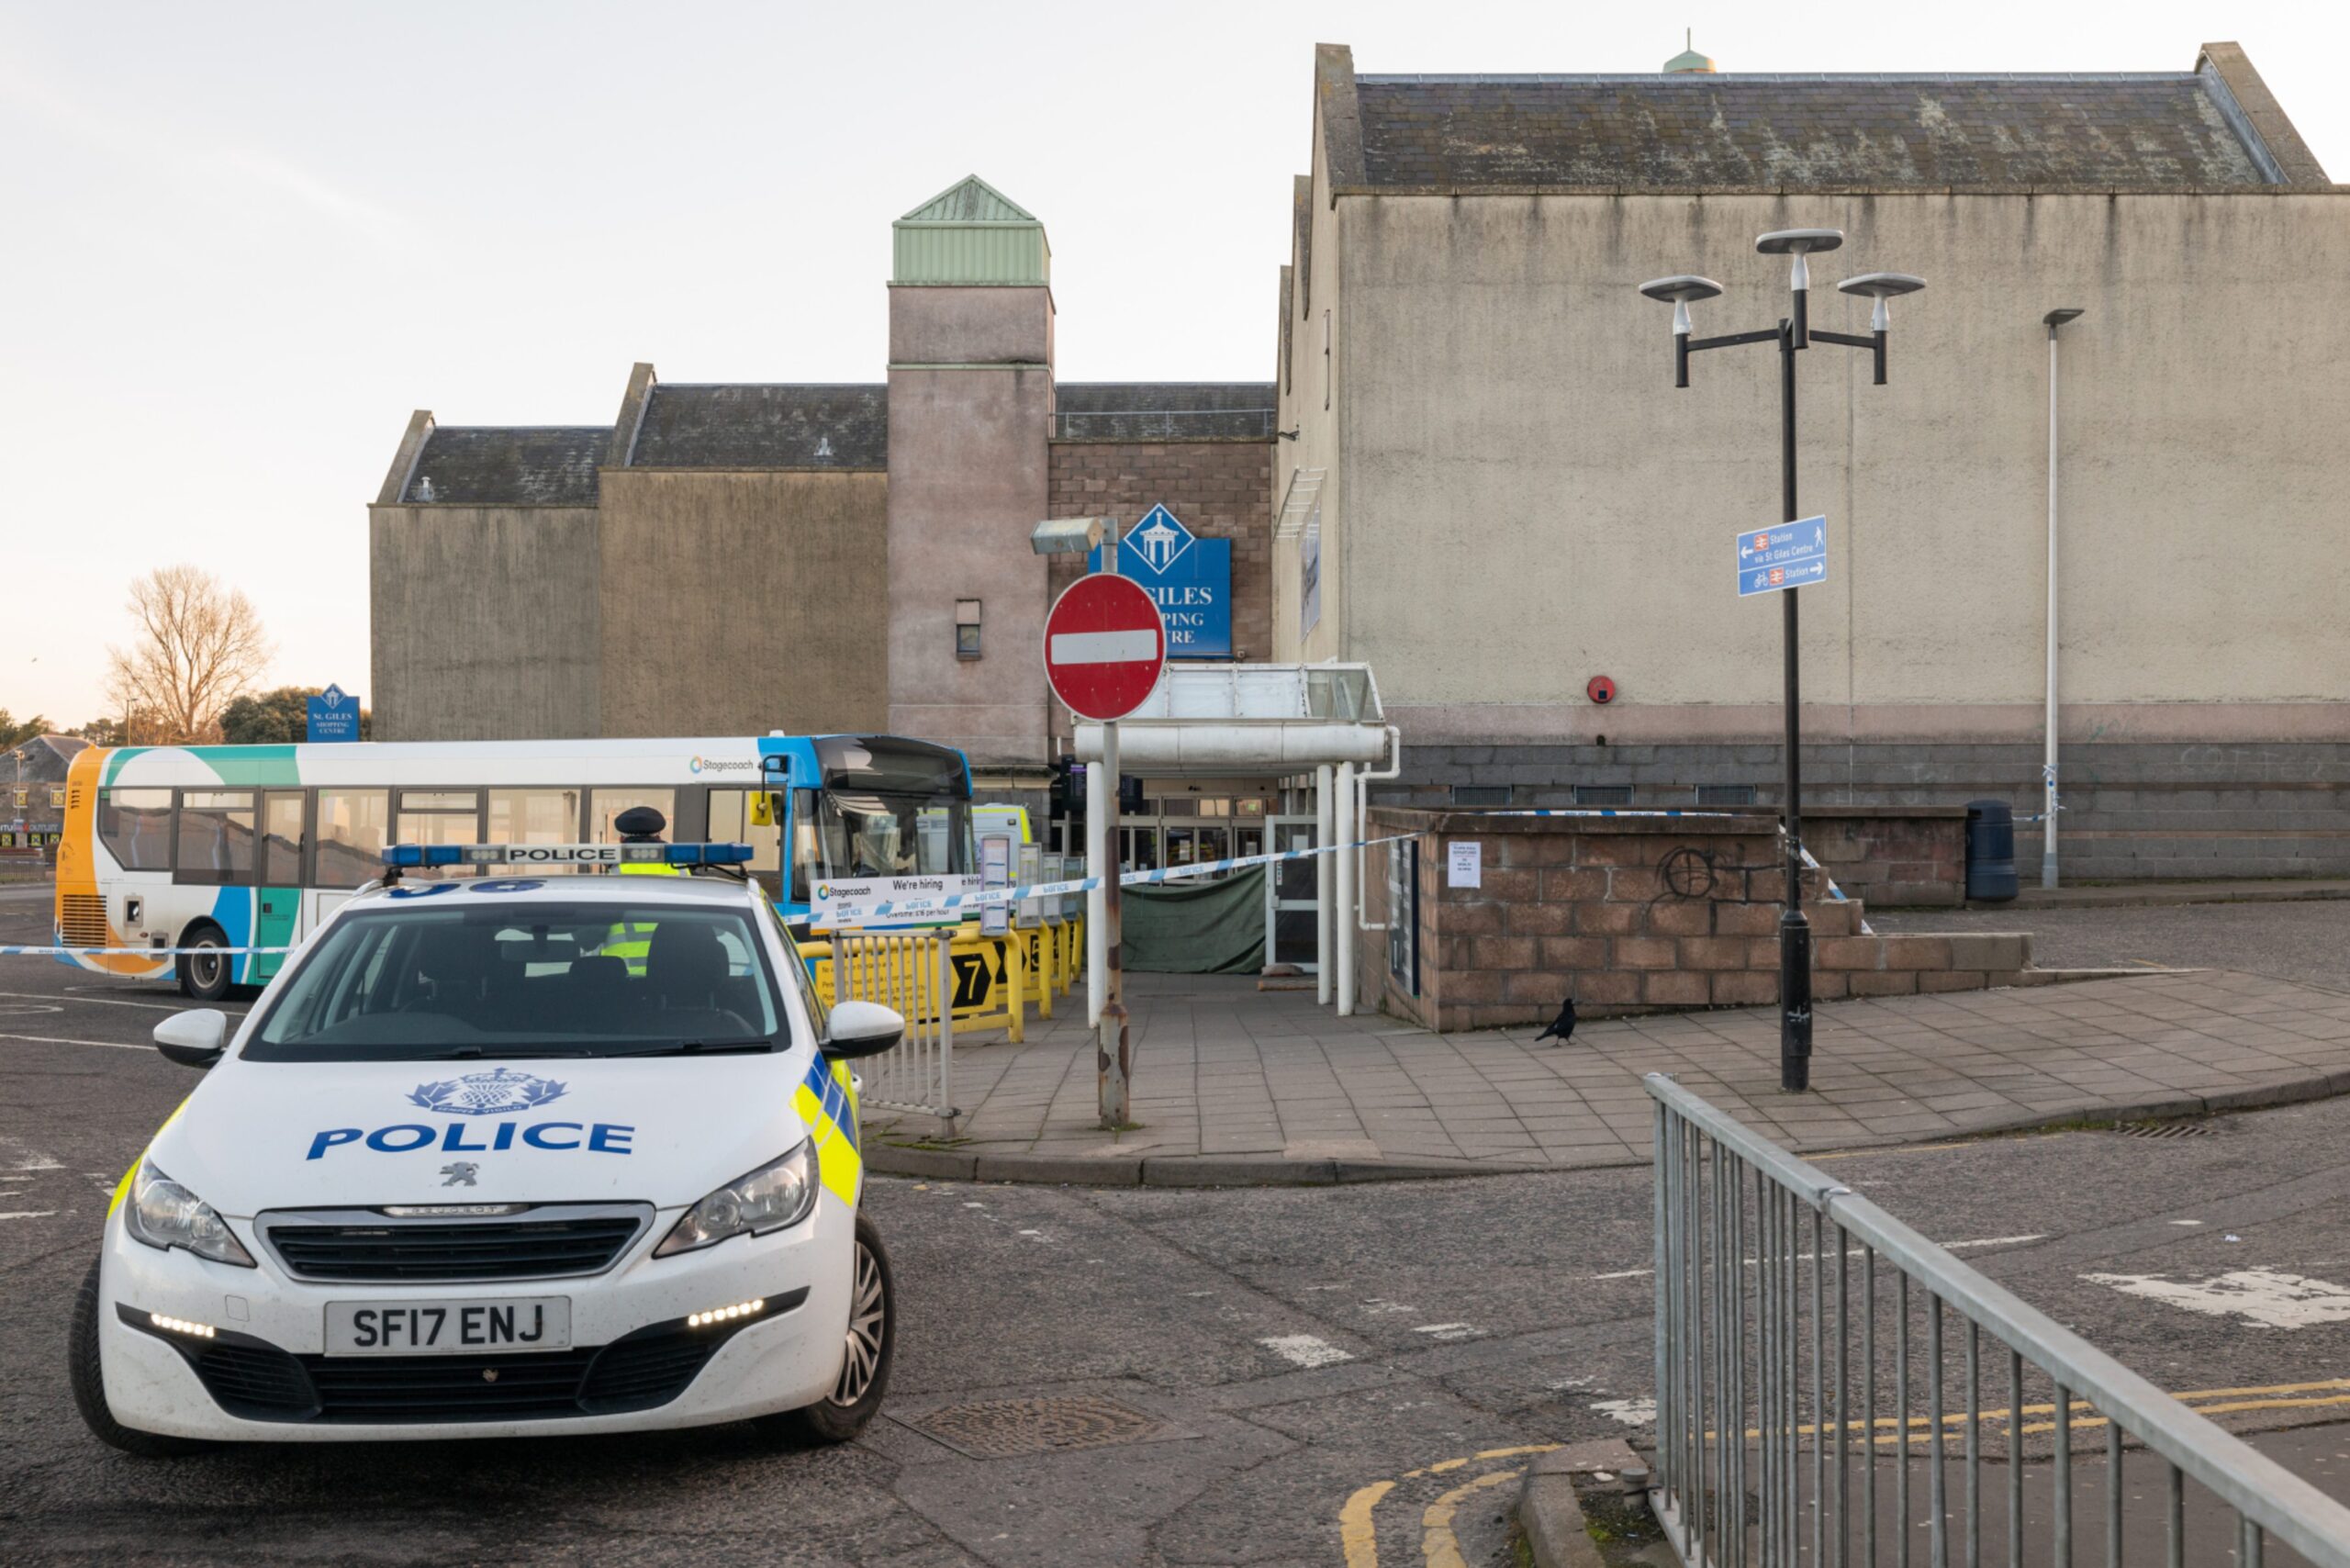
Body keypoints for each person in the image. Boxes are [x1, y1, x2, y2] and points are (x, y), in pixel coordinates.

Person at [605, 806, 675, 975]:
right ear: (659, 836)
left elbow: (588, 938)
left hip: (619, 980)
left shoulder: (611, 877)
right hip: (674, 977)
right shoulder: (683, 870)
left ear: (621, 839)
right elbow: (715, 930)